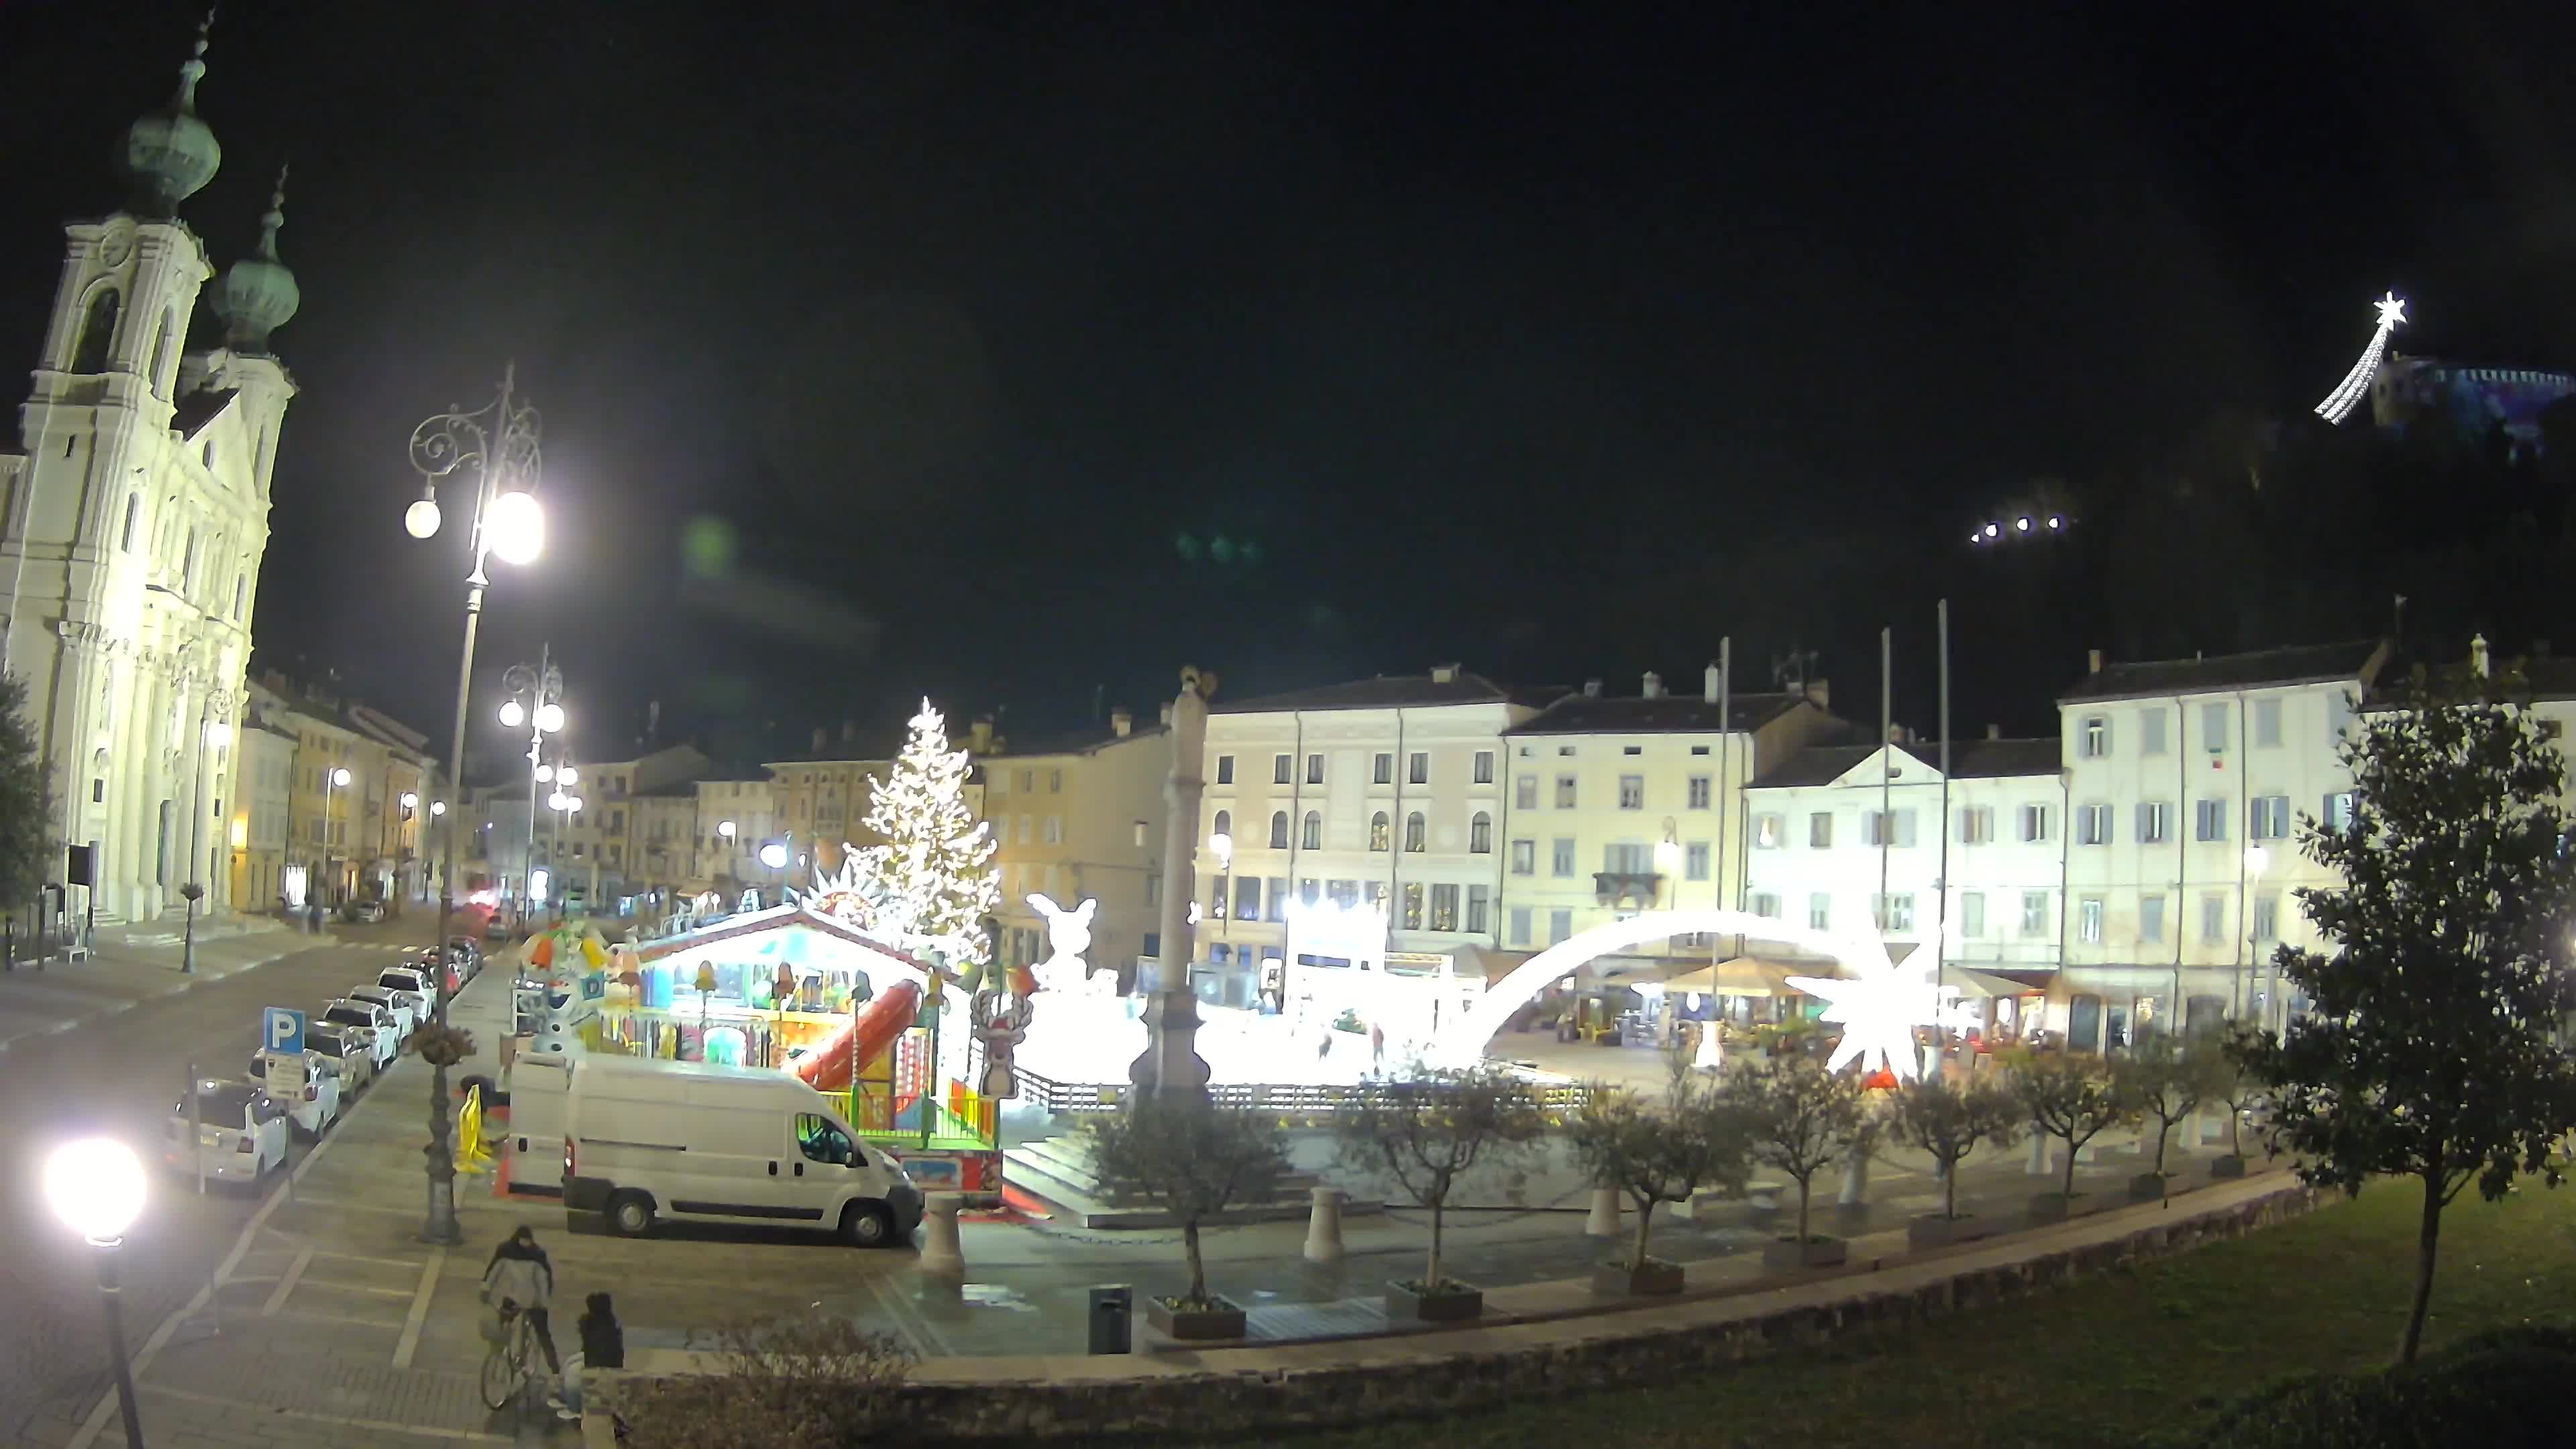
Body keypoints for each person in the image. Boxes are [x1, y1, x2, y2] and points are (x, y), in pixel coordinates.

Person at [481, 1226, 565, 1405]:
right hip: (514, 1297)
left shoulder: (535, 1255)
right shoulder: (509, 1252)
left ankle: (556, 1372)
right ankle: (503, 1355)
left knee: (543, 1335)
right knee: (503, 1328)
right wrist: (486, 1289)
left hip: (533, 1300)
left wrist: (543, 1302)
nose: (526, 1243)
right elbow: (493, 1272)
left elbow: (543, 1280)